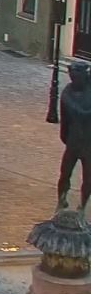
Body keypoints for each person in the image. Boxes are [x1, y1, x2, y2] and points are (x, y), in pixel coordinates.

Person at [58, 61, 91, 215]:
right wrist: (66, 137)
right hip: (73, 141)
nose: (74, 80)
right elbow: (65, 120)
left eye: (77, 77)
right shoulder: (67, 94)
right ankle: (61, 200)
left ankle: (82, 206)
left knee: (88, 177)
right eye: (73, 77)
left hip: (88, 143)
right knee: (65, 173)